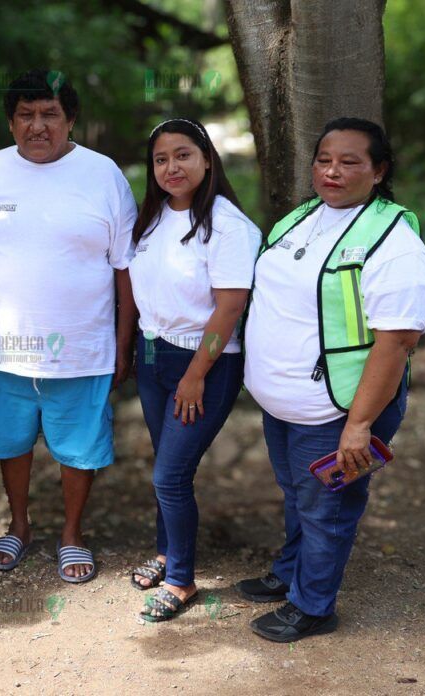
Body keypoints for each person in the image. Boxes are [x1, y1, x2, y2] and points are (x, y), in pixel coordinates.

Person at [239, 117, 425, 642]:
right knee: (296, 493)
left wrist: (360, 425)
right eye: (324, 159)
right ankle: (290, 575)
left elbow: (394, 343)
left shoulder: (394, 247)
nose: (332, 171)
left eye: (350, 162)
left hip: (339, 409)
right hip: (285, 401)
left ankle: (313, 606)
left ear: (379, 172)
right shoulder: (303, 217)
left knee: (327, 508)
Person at [0, 69, 138, 583]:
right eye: (26, 115)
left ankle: (72, 534)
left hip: (82, 348)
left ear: (71, 119)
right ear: (11, 122)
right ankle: (20, 525)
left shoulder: (103, 175)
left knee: (79, 448)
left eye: (50, 114)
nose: (38, 126)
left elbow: (124, 268)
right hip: (5, 349)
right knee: (11, 443)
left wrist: (123, 343)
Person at [126, 118, 261, 621]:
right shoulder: (152, 218)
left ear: (207, 158)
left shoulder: (229, 226)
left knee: (170, 475)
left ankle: (182, 580)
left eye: (182, 155)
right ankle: (166, 552)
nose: (171, 167)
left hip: (204, 363)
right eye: (161, 159)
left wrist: (196, 373)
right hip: (153, 354)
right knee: (168, 465)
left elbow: (229, 308)